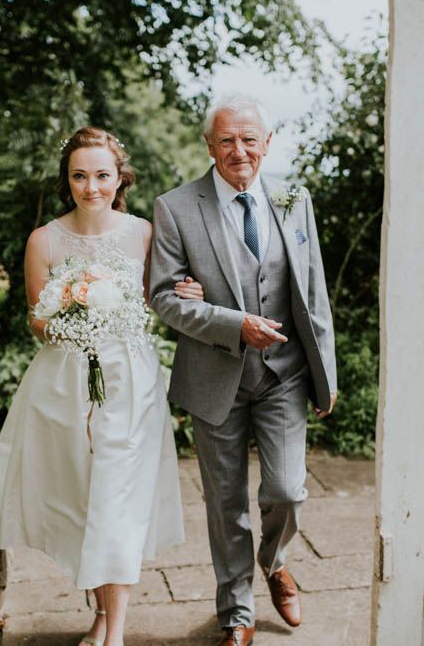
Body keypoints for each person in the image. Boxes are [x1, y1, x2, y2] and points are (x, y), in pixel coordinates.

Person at [0, 127, 200, 646]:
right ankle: (102, 615)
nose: (91, 186)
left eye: (101, 175)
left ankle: (116, 633)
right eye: (79, 175)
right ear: (68, 180)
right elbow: (37, 320)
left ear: (118, 177)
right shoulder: (45, 240)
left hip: (131, 383)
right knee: (85, 501)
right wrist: (71, 315)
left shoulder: (144, 232)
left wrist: (186, 290)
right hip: (65, 384)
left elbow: (159, 298)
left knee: (118, 499)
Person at [150, 94, 337, 646]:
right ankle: (236, 610)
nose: (239, 150)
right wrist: (233, 324)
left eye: (249, 139)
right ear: (209, 144)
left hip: (284, 376)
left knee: (286, 489)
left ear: (267, 143)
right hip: (215, 378)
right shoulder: (176, 207)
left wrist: (327, 375)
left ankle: (275, 563)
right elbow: (165, 298)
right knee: (224, 502)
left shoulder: (293, 198)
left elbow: (314, 292)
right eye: (227, 140)